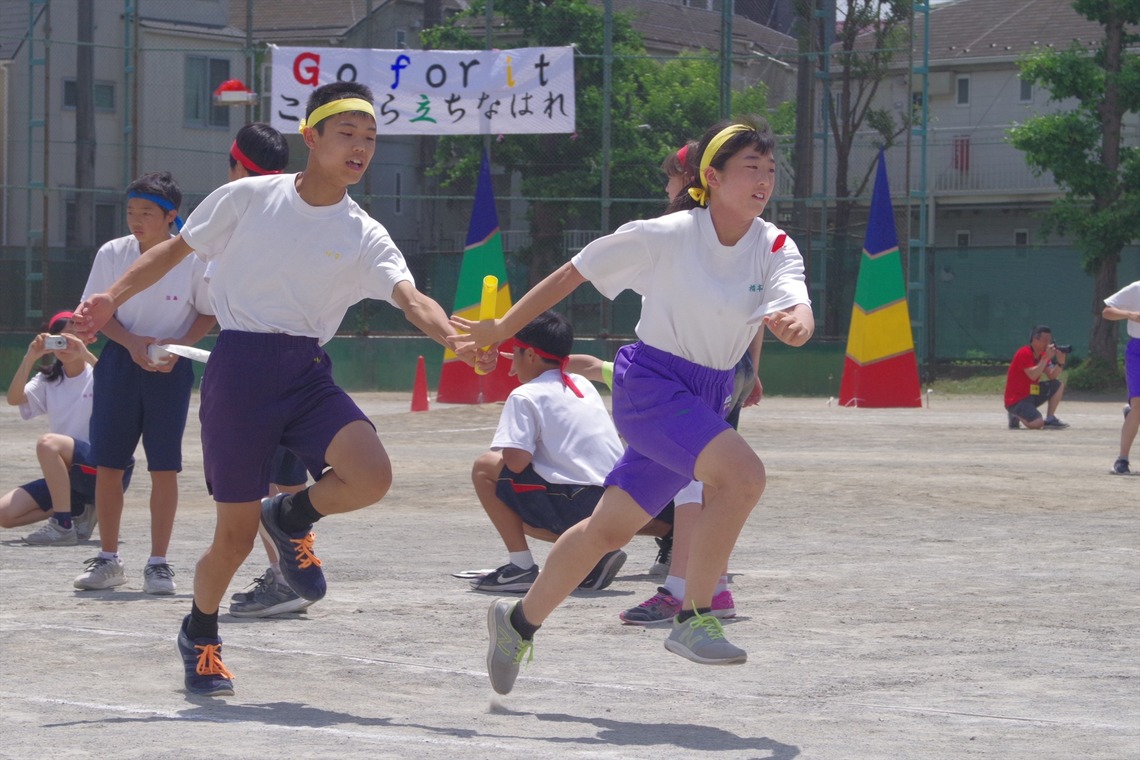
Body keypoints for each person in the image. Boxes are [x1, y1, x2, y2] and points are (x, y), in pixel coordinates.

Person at [73, 81, 491, 697]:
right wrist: (112, 297)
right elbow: (172, 253)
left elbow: (412, 299)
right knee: (234, 539)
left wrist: (454, 337)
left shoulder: (363, 232)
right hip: (239, 370)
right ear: (311, 137)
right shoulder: (248, 197)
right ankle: (200, 633)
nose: (360, 147)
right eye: (346, 133)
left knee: (371, 475)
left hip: (305, 371)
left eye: (370, 137)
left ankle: (291, 515)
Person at [449, 117, 813, 693]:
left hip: (708, 391)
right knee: (743, 477)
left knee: (608, 530)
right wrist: (501, 328)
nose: (764, 180)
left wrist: (797, 324)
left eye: (770, 169)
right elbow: (571, 274)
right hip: (652, 386)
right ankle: (695, 616)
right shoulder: (666, 234)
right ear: (713, 178)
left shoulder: (774, 244)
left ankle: (517, 623)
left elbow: (795, 302)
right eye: (751, 168)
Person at [73, 172, 214, 595]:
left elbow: (208, 312)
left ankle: (158, 563)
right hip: (119, 362)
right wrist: (132, 343)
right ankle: (108, 559)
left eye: (147, 213)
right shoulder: (113, 253)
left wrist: (178, 347)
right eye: (131, 211)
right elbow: (99, 312)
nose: (136, 220)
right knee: (109, 464)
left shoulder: (194, 258)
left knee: (164, 467)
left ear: (171, 216)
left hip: (171, 369)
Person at [470, 310, 671, 594]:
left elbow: (515, 463)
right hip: (621, 501)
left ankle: (522, 566)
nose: (512, 362)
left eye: (515, 353)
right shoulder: (583, 384)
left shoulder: (525, 395)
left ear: (530, 355)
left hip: (582, 506)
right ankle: (595, 555)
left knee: (485, 467)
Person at [213, 121, 314, 619]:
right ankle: (297, 570)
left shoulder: (239, 213)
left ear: (237, 167)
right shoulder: (303, 209)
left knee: (259, 487)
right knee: (288, 482)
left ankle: (285, 576)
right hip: (304, 361)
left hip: (254, 363)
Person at [0, 312, 133, 545]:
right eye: (59, 338)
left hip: (105, 468)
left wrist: (85, 354)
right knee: (5, 514)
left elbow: (122, 390)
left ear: (87, 339)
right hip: (70, 475)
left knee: (47, 443)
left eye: (72, 337)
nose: (65, 344)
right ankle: (78, 510)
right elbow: (14, 398)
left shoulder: (99, 373)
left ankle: (62, 524)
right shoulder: (48, 379)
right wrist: (30, 357)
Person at [1102, 280, 1140, 474]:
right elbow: (1107, 311)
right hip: (1138, 350)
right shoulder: (1137, 288)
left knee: (1137, 409)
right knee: (1139, 405)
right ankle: (1122, 460)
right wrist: (1130, 315)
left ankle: (1132, 412)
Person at [1003, 325, 1069, 430]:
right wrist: (1045, 358)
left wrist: (1060, 363)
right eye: (1045, 340)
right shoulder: (1024, 352)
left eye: (1049, 341)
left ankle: (1050, 418)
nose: (1048, 344)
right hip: (1016, 400)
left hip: (1031, 394)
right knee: (1037, 423)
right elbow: (1033, 376)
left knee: (1058, 385)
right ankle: (1015, 414)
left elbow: (1052, 375)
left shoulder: (1042, 355)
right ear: (1034, 340)